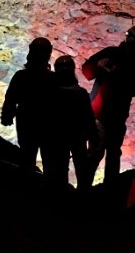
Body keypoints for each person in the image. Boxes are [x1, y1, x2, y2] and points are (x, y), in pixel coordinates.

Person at [80, 24, 135, 187]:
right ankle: (85, 193)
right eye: (128, 34)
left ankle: (104, 195)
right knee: (96, 154)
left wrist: (113, 73)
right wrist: (99, 67)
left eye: (131, 36)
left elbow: (133, 89)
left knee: (111, 155)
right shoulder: (111, 53)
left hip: (116, 117)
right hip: (100, 115)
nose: (128, 38)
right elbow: (87, 71)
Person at [41, 55, 98, 192]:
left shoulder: (50, 92)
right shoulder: (80, 93)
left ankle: (64, 197)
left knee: (63, 168)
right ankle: (79, 197)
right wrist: (93, 136)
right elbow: (89, 118)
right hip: (74, 137)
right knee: (80, 167)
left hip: (60, 136)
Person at [0, 37, 54, 171]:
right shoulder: (52, 79)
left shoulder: (21, 76)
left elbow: (11, 99)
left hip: (27, 121)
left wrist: (7, 116)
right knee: (48, 160)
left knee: (27, 158)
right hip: (45, 123)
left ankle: (26, 187)